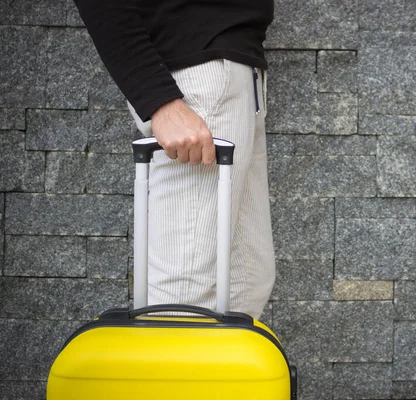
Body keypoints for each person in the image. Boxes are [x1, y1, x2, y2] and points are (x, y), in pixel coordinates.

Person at [74, 0, 276, 319]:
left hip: (237, 74)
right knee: (183, 295)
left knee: (246, 286)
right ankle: (162, 370)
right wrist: (160, 101)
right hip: (201, 82)